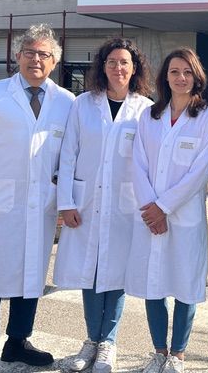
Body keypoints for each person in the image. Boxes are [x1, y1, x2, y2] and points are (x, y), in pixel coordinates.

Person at [0, 24, 75, 373]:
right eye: (29, 52)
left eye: (43, 54)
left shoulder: (66, 101)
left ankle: (17, 343)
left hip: (41, 205)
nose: (35, 59)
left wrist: (65, 198)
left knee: (31, 278)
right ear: (17, 56)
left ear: (54, 61)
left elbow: (70, 157)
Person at [54, 38, 153, 373]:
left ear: (134, 68)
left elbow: (149, 161)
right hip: (86, 202)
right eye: (112, 62)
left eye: (124, 62)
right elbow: (68, 154)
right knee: (91, 271)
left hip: (126, 205)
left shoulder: (145, 109)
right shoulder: (83, 104)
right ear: (103, 66)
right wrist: (66, 201)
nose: (118, 68)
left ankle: (108, 342)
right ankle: (91, 341)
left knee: (117, 272)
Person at [125, 48, 208, 373]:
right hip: (150, 215)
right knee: (153, 283)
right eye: (175, 72)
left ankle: (178, 355)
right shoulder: (149, 116)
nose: (181, 78)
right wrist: (152, 209)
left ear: (197, 77)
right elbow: (137, 164)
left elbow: (200, 171)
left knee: (185, 285)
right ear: (165, 77)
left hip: (184, 217)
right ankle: (158, 352)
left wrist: (163, 207)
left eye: (187, 72)